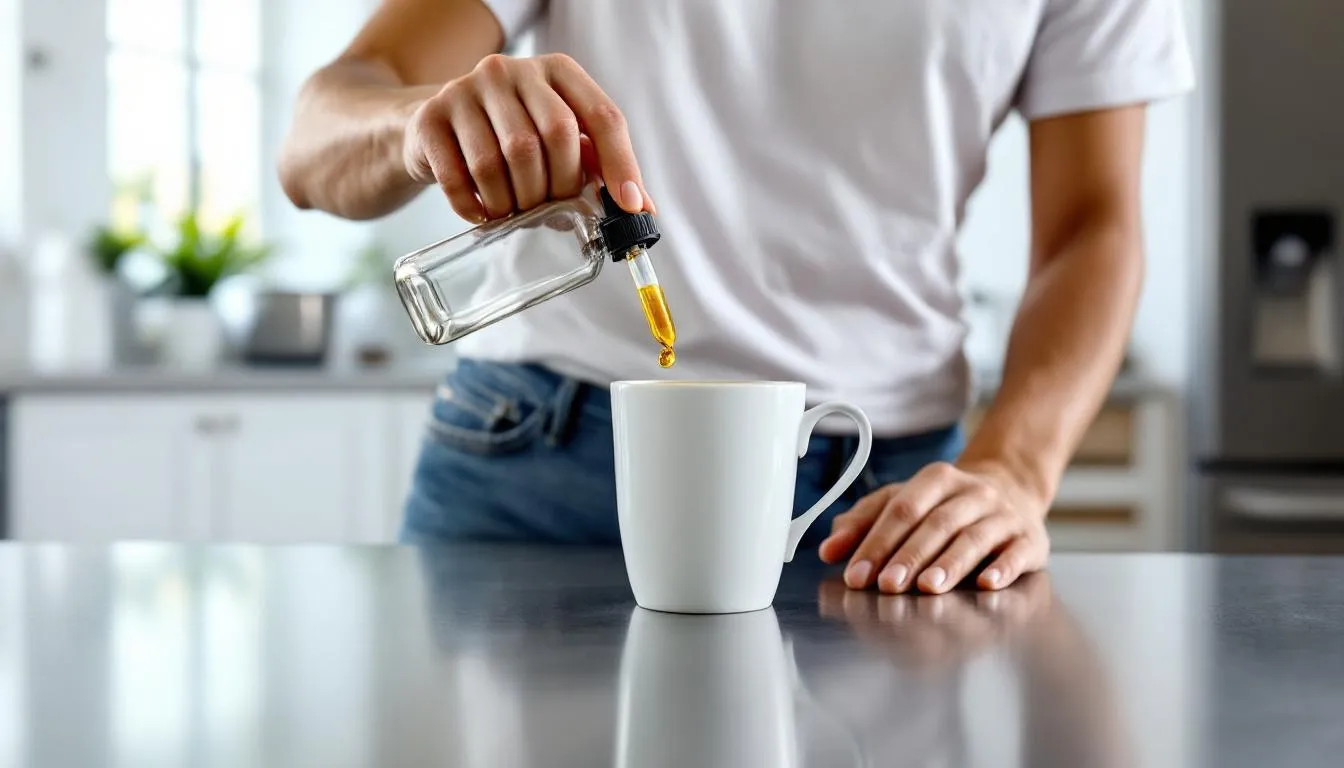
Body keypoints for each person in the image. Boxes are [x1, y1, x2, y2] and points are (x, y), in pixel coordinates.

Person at [278, 0, 1193, 593]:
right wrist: (417, 122)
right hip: (540, 469)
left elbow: (1093, 228)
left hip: (886, 510)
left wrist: (1016, 471)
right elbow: (316, 139)